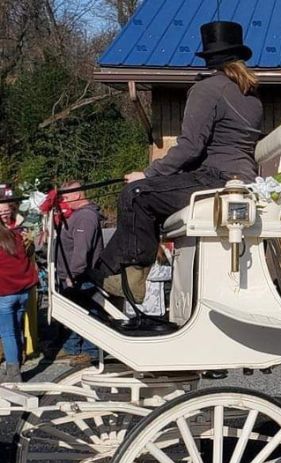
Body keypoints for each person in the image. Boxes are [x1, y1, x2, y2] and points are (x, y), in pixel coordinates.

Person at [93, 20, 263, 303]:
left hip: (216, 178)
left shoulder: (208, 89)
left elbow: (189, 147)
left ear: (209, 58)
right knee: (146, 195)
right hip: (238, 178)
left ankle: (128, 279)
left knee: (136, 195)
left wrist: (148, 174)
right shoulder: (250, 94)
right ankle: (104, 273)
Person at [55, 181, 104, 365]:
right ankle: (73, 348)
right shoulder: (78, 216)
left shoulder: (85, 217)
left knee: (86, 313)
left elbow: (82, 249)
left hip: (79, 277)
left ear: (77, 195)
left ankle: (89, 351)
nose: (63, 201)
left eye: (66, 197)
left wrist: (72, 274)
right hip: (72, 275)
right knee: (75, 313)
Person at [0, 222, 38, 382]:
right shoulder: (15, 236)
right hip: (23, 292)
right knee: (16, 330)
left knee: (8, 334)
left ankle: (14, 374)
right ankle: (14, 368)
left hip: (5, 294)